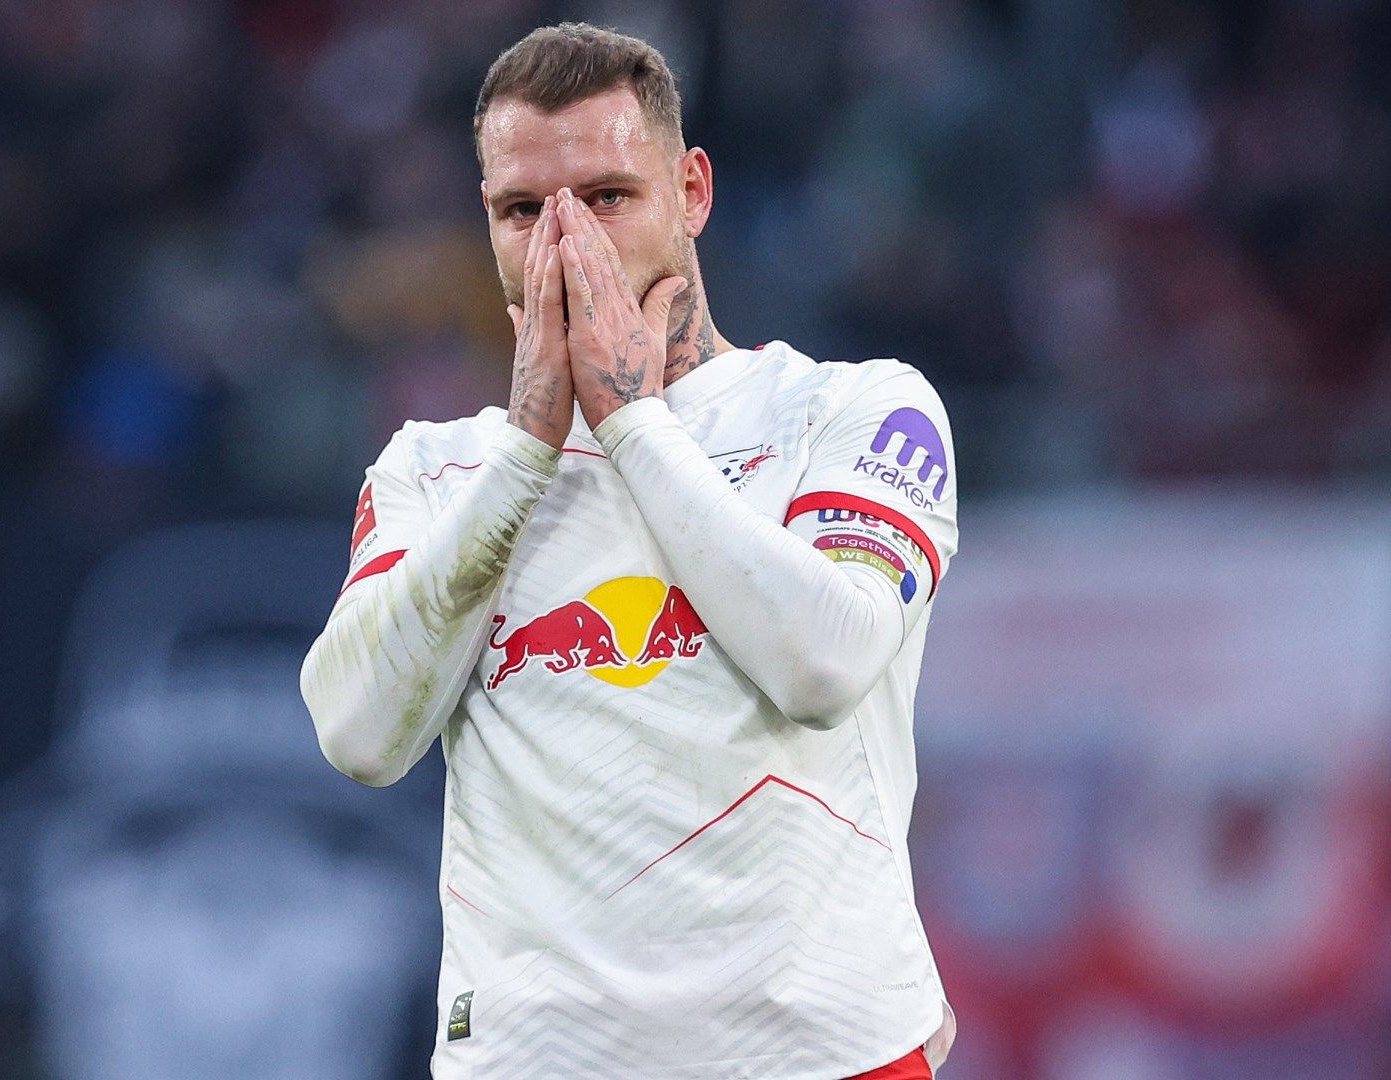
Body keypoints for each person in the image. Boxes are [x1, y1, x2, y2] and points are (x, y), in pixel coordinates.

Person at [300, 21, 958, 1080]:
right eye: (524, 210)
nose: (568, 243)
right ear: (487, 220)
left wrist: (630, 422)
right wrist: (527, 452)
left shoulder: (849, 410)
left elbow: (825, 665)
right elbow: (357, 735)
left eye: (607, 197)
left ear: (692, 192)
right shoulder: (434, 468)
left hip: (816, 1053)